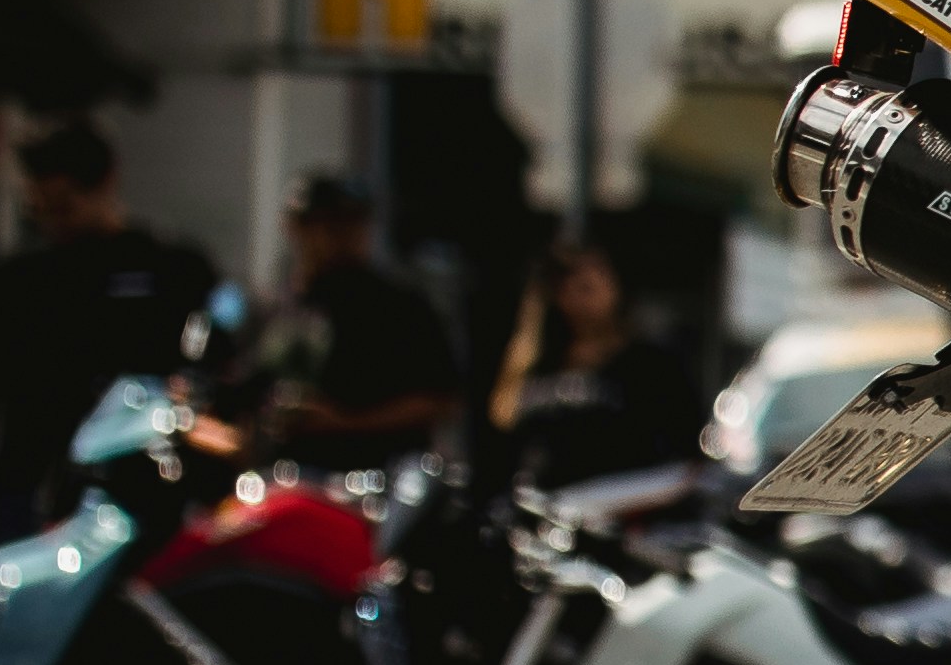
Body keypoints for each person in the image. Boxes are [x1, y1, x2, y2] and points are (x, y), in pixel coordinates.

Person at [0, 122, 217, 528]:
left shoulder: (169, 268)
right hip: (32, 475)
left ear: (105, 183)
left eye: (64, 205)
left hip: (136, 476)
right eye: (41, 207)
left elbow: (206, 366)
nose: (53, 221)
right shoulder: (21, 278)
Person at [262, 173, 461, 472]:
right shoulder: (279, 306)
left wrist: (345, 422)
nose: (344, 236)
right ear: (296, 228)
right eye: (330, 225)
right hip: (288, 477)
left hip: (375, 479)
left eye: (354, 224)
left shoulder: (399, 306)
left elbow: (442, 400)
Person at [490, 238, 708, 497]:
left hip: (618, 512)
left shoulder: (652, 366)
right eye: (567, 283)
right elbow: (504, 427)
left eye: (590, 283)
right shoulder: (534, 359)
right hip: (537, 511)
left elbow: (686, 457)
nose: (579, 293)